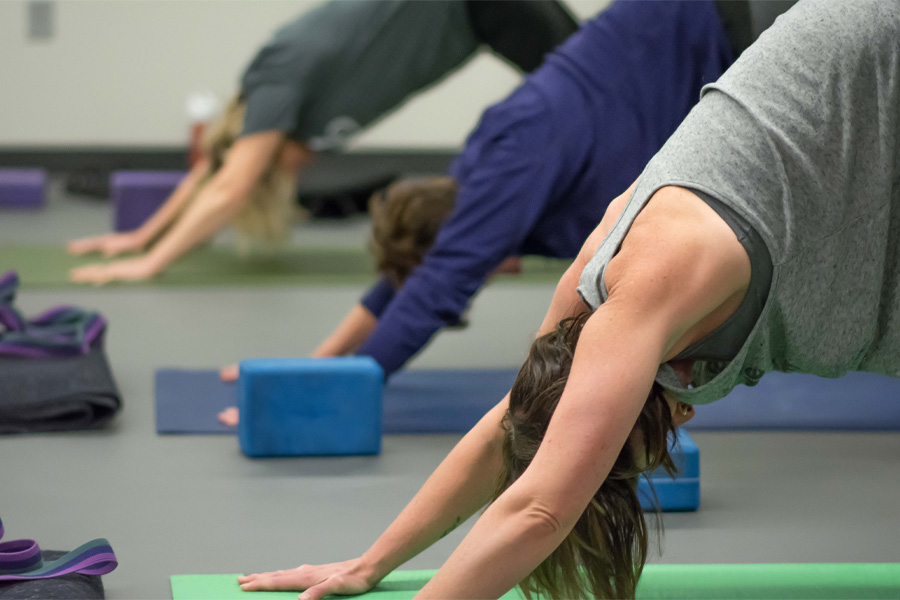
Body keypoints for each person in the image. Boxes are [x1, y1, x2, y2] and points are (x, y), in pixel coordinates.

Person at [234, 1, 900, 598]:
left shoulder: (639, 297)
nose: (688, 422)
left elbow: (542, 509)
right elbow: (509, 427)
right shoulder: (589, 279)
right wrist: (369, 563)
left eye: (663, 430)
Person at [220, 0, 761, 386]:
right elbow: (405, 280)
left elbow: (436, 283)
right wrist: (309, 369)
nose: (489, 272)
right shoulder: (470, 180)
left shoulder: (504, 175)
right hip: (680, 37)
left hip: (709, 16)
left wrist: (342, 388)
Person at [66, 0, 578, 284]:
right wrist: (140, 236)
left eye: (279, 169)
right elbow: (212, 174)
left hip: (479, 6)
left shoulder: (274, 77)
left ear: (261, 139)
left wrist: (148, 266)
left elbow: (229, 186)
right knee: (591, 102)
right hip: (483, 20)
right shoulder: (290, 117)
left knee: (602, 99)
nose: (297, 169)